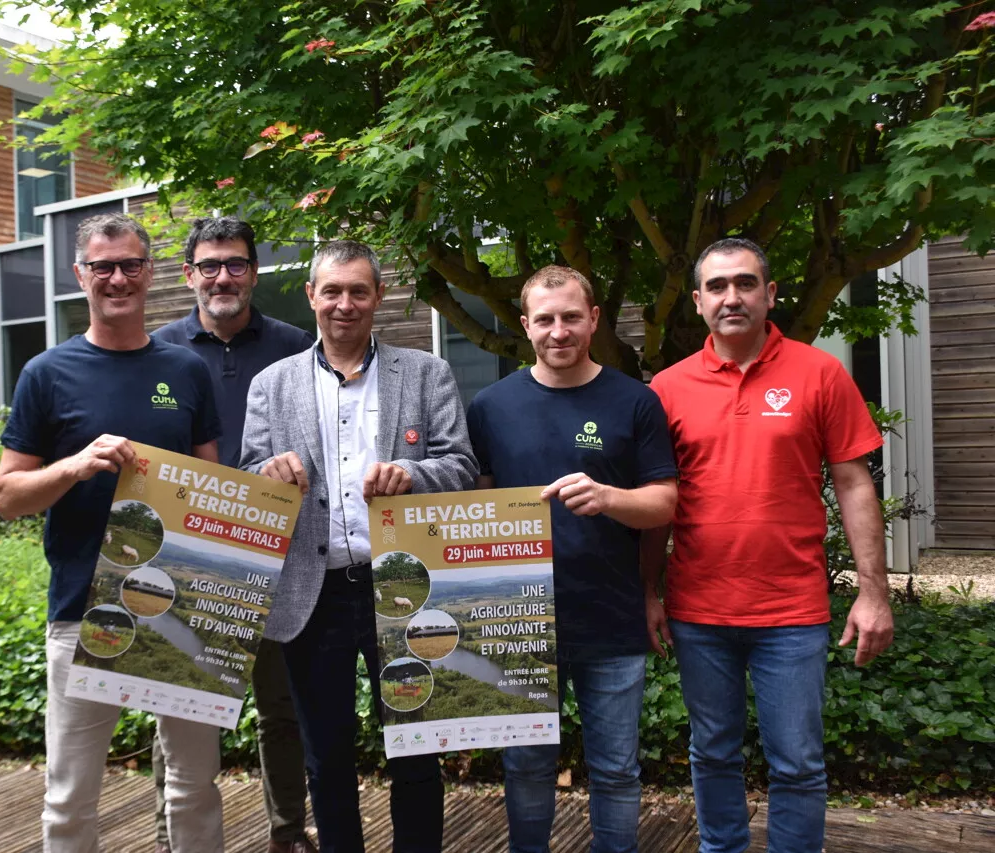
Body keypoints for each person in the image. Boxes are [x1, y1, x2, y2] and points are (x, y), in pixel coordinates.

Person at [643, 237, 894, 853]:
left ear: (770, 293)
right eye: (719, 287)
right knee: (713, 753)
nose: (733, 297)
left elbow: (854, 483)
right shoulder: (668, 389)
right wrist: (648, 591)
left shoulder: (820, 372)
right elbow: (657, 506)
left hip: (792, 611)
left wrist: (873, 592)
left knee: (799, 764)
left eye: (746, 283)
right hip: (699, 608)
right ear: (698, 301)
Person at [0, 212, 226, 853]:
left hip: (180, 606)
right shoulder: (46, 373)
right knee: (70, 797)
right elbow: (6, 496)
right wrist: (72, 465)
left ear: (150, 273)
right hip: (82, 607)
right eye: (103, 267)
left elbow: (214, 486)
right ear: (81, 276)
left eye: (130, 264)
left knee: (195, 786)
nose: (117, 278)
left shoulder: (186, 370)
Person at [239, 240, 477, 853]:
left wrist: (413, 474)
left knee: (415, 749)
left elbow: (460, 465)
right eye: (333, 291)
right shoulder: (272, 384)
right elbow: (250, 476)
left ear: (379, 297)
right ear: (311, 295)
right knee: (327, 754)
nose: (345, 304)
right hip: (311, 596)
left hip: (400, 590)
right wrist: (268, 474)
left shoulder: (428, 373)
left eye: (359, 291)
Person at [465, 265, 678, 853]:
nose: (559, 331)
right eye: (545, 320)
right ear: (526, 324)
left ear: (593, 320)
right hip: (520, 621)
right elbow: (475, 510)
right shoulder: (490, 405)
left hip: (610, 614)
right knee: (527, 767)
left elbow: (664, 503)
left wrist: (609, 499)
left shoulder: (635, 401)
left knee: (615, 770)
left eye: (571, 317)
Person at [151, 216, 317, 853]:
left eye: (237, 264)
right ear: (190, 274)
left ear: (254, 272)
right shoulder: (159, 350)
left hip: (278, 556)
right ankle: (171, 834)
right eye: (211, 265)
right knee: (181, 706)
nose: (224, 277)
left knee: (282, 707)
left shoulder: (297, 347)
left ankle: (287, 832)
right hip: (186, 557)